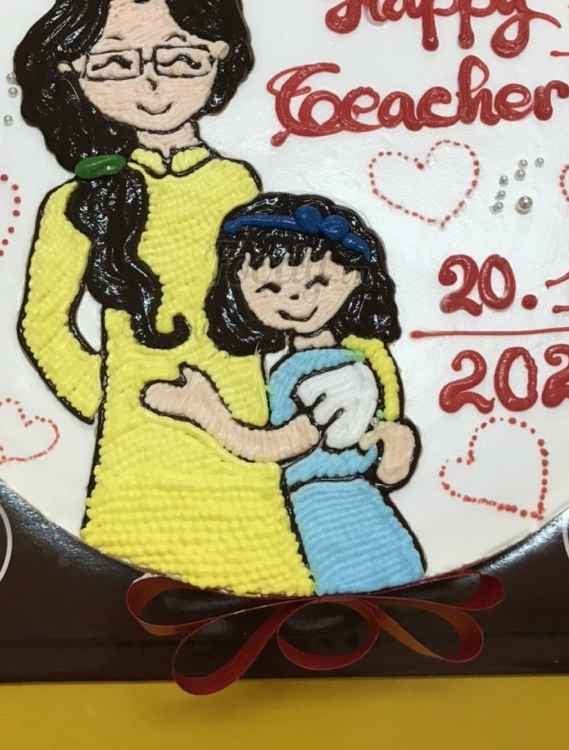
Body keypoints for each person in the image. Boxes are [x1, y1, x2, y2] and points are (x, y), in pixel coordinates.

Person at [14, 0, 410, 595]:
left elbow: (305, 295)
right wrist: (115, 401)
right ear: (72, 70)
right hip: (139, 445)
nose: (151, 85)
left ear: (220, 57)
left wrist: (373, 392)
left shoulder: (237, 184)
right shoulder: (75, 202)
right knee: (135, 574)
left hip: (247, 421)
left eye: (179, 59)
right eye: (116, 63)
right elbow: (44, 326)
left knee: (263, 567)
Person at [144, 193, 425, 594]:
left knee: (360, 587)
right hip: (325, 500)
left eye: (318, 282)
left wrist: (206, 412)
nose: (296, 298)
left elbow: (278, 445)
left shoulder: (332, 373)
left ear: (354, 277)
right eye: (270, 287)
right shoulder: (308, 363)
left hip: (333, 507)